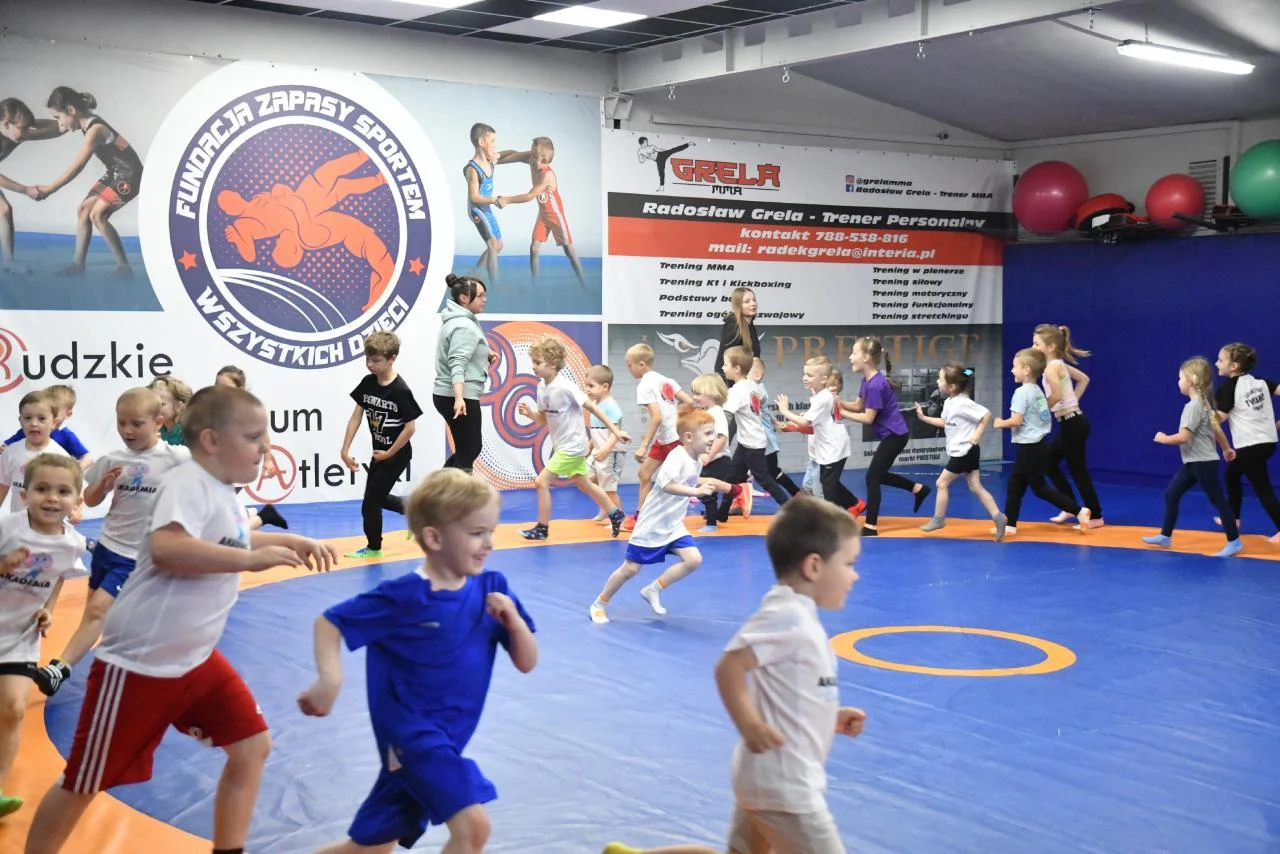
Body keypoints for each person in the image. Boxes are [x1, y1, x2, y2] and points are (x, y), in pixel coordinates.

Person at [22, 386, 337, 854]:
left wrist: (292, 543)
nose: (265, 448)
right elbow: (169, 548)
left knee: (251, 746)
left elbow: (228, 541)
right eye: (254, 437)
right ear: (211, 440)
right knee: (83, 781)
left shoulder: (223, 493)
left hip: (194, 658)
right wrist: (250, 561)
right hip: (141, 663)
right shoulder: (187, 483)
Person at [601, 495, 865, 854]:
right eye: (849, 564)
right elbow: (729, 667)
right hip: (786, 787)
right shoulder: (788, 616)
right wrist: (749, 726)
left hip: (768, 777)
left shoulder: (797, 614)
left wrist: (827, 715)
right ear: (814, 566)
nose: (855, 575)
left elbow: (791, 689)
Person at [298, 467, 537, 854]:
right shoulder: (404, 597)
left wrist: (515, 623)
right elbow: (330, 623)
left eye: (491, 531)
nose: (489, 543)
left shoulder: (493, 590)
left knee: (369, 848)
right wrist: (330, 679)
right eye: (476, 533)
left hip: (448, 739)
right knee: (473, 827)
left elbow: (527, 662)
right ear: (434, 537)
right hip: (412, 737)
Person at [32, 388, 192, 697]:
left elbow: (211, 475)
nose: (127, 430)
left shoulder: (177, 458)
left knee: (99, 610)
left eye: (136, 424)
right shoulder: (114, 459)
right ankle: (130, 658)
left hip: (137, 556)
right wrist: (103, 487)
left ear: (158, 422)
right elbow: (90, 499)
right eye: (121, 423)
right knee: (94, 614)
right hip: (107, 548)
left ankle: (59, 667)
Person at [0, 454, 86, 817]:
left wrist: (48, 609)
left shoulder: (72, 544)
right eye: (42, 489)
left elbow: (58, 577)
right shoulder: (7, 528)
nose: (52, 498)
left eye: (63, 491)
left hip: (20, 636)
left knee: (13, 709)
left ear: (77, 500)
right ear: (24, 494)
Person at [590, 406, 730, 625]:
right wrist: (696, 492)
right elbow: (667, 485)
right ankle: (599, 603)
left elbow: (693, 481)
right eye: (708, 433)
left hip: (673, 524)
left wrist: (727, 488)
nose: (713, 438)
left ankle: (653, 589)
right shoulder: (677, 456)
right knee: (631, 569)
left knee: (693, 559)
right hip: (653, 522)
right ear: (689, 437)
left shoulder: (696, 459)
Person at [517, 337, 628, 540]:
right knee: (583, 483)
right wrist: (530, 414)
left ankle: (542, 527)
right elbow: (544, 418)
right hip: (562, 445)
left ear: (552, 364)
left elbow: (593, 408)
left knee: (541, 482)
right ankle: (615, 513)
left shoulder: (566, 386)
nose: (533, 366)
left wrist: (615, 431)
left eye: (538, 362)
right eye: (533, 362)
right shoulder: (541, 388)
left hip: (573, 446)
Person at [37, 87, 144, 277]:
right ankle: (78, 265)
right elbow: (54, 128)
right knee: (83, 210)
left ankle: (124, 266)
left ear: (71, 110)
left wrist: (50, 189)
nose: (59, 123)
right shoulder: (84, 121)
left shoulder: (95, 130)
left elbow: (77, 166)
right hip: (115, 173)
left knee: (98, 215)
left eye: (58, 117)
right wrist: (26, 127)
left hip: (130, 175)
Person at [1142, 357, 1242, 557]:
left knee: (1218, 501)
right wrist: (1226, 448)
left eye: (1180, 378)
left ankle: (1234, 541)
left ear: (1192, 380)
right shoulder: (1204, 404)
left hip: (1202, 463)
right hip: (1195, 462)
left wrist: (1163, 438)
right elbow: (1216, 429)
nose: (1178, 382)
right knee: (1171, 494)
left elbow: (1183, 437)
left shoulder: (1193, 407)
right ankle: (1165, 536)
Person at [341, 332, 422, 560]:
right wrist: (344, 450)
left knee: (370, 503)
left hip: (396, 454)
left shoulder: (400, 390)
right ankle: (417, 511)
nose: (370, 364)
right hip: (380, 453)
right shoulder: (368, 383)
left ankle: (374, 547)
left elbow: (410, 428)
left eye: (375, 360)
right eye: (367, 359)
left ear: (391, 358)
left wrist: (389, 453)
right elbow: (356, 417)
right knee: (379, 497)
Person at [836, 336, 929, 535]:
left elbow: (868, 417)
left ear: (866, 357)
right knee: (879, 475)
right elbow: (859, 406)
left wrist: (841, 412)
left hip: (895, 435)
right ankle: (918, 489)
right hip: (892, 435)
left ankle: (871, 526)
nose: (850, 357)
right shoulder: (867, 380)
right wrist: (838, 402)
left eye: (854, 353)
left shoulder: (876, 384)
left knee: (872, 477)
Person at [993, 349, 1089, 536]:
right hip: (1038, 445)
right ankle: (1010, 524)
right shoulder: (1038, 391)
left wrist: (1000, 423)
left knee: (1039, 488)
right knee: (1015, 484)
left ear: (1026, 369)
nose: (1012, 370)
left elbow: (1016, 420)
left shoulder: (1021, 393)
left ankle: (1079, 511)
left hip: (1030, 447)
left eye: (1015, 367)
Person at [913, 364, 1006, 540]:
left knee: (941, 483)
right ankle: (998, 517)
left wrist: (978, 434)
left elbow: (986, 415)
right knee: (975, 486)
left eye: (940, 379)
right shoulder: (950, 402)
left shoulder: (963, 403)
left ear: (952, 386)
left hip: (964, 452)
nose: (937, 382)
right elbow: (945, 423)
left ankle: (939, 519)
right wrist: (923, 418)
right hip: (967, 451)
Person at [1033, 324, 1105, 529]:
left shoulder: (1051, 368)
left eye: (1037, 344)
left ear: (1050, 347)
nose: (1033, 347)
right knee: (1049, 463)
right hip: (1072, 422)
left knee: (1078, 470)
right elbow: (1084, 379)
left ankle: (1095, 515)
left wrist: (1040, 411)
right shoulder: (1057, 364)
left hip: (1073, 424)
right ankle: (1070, 506)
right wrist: (1072, 402)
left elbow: (1056, 395)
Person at [621, 342, 693, 532]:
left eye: (629, 365)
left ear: (641, 364)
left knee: (681, 479)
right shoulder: (666, 380)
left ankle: (734, 489)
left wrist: (643, 446)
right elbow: (689, 401)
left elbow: (656, 417)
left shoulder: (644, 385)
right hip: (666, 438)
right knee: (644, 474)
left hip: (671, 439)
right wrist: (675, 414)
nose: (629, 369)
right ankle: (641, 517)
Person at [496, 136, 586, 286]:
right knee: (534, 249)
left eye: (533, 156)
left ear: (544, 161)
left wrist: (507, 199)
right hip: (543, 214)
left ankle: (583, 284)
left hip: (555, 216)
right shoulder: (533, 159)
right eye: (531, 154)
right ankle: (535, 285)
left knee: (568, 250)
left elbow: (530, 196)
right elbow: (514, 155)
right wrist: (494, 159)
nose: (529, 158)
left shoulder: (547, 176)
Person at [1214, 342, 1280, 542]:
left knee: (1263, 489)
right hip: (1268, 443)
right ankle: (1233, 518)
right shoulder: (1260, 382)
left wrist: (1200, 414)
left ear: (1234, 366)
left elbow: (1219, 418)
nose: (1217, 363)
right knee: (1232, 474)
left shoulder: (1228, 387)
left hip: (1251, 445)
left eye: (1221, 360)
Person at [718, 346, 791, 520]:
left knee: (764, 479)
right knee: (732, 477)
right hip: (747, 442)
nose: (722, 367)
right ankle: (722, 513)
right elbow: (762, 399)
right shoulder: (751, 385)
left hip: (752, 444)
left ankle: (791, 510)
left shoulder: (737, 390)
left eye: (725, 364)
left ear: (737, 368)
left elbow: (726, 415)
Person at [776, 356, 857, 513]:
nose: (805, 378)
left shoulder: (823, 398)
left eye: (810, 375)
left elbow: (806, 423)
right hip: (829, 447)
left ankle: (833, 517)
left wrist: (785, 411)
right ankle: (849, 506)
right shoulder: (821, 395)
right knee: (826, 483)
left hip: (833, 448)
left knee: (828, 487)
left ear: (824, 379)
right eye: (804, 374)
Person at [434, 273, 497, 472]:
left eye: (484, 295)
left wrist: (485, 352)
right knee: (469, 450)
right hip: (459, 396)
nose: (484, 299)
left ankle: (439, 488)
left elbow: (460, 349)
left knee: (466, 450)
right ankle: (454, 490)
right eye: (480, 296)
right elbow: (457, 363)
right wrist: (459, 398)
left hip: (450, 394)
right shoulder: (464, 326)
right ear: (463, 298)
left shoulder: (460, 320)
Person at [0, 97, 65, 272]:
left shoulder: (18, 133)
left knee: (4, 210)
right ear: (5, 124)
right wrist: (26, 190)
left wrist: (31, 122)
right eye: (23, 128)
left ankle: (8, 261)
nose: (27, 132)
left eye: (28, 128)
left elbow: (58, 129)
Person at [0, 391, 71, 513]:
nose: (33, 423)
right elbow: (2, 487)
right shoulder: (11, 453)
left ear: (54, 423)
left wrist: (74, 511)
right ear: (21, 421)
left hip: (50, 522)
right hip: (18, 522)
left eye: (41, 418)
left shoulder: (61, 457)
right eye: (28, 418)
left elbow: (69, 494)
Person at [689, 373, 735, 532]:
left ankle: (711, 523)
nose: (694, 397)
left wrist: (709, 456)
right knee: (705, 489)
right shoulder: (706, 413)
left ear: (712, 394)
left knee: (707, 490)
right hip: (710, 459)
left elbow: (722, 437)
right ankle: (713, 515)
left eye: (698, 394)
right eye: (694, 393)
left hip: (718, 459)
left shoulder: (717, 412)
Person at [1, 384, 90, 465]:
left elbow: (87, 457)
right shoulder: (27, 430)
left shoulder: (66, 436)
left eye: (55, 410)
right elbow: (5, 447)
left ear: (68, 414)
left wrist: (77, 470)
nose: (34, 423)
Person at [585, 364, 627, 523]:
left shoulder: (611, 406)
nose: (587, 389)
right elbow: (596, 431)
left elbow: (615, 433)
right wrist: (589, 447)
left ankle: (618, 518)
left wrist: (605, 450)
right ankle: (606, 508)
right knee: (585, 479)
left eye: (591, 386)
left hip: (611, 453)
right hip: (598, 451)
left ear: (605, 387)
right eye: (586, 385)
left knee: (609, 489)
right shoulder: (595, 405)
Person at [714, 288, 760, 386]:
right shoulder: (734, 325)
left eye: (754, 300)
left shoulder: (749, 325)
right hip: (731, 383)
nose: (753, 304)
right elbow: (728, 359)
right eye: (747, 301)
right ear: (738, 305)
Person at [148, 375, 193, 447]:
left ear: (178, 407)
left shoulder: (187, 431)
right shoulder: (158, 428)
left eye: (161, 404)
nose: (153, 408)